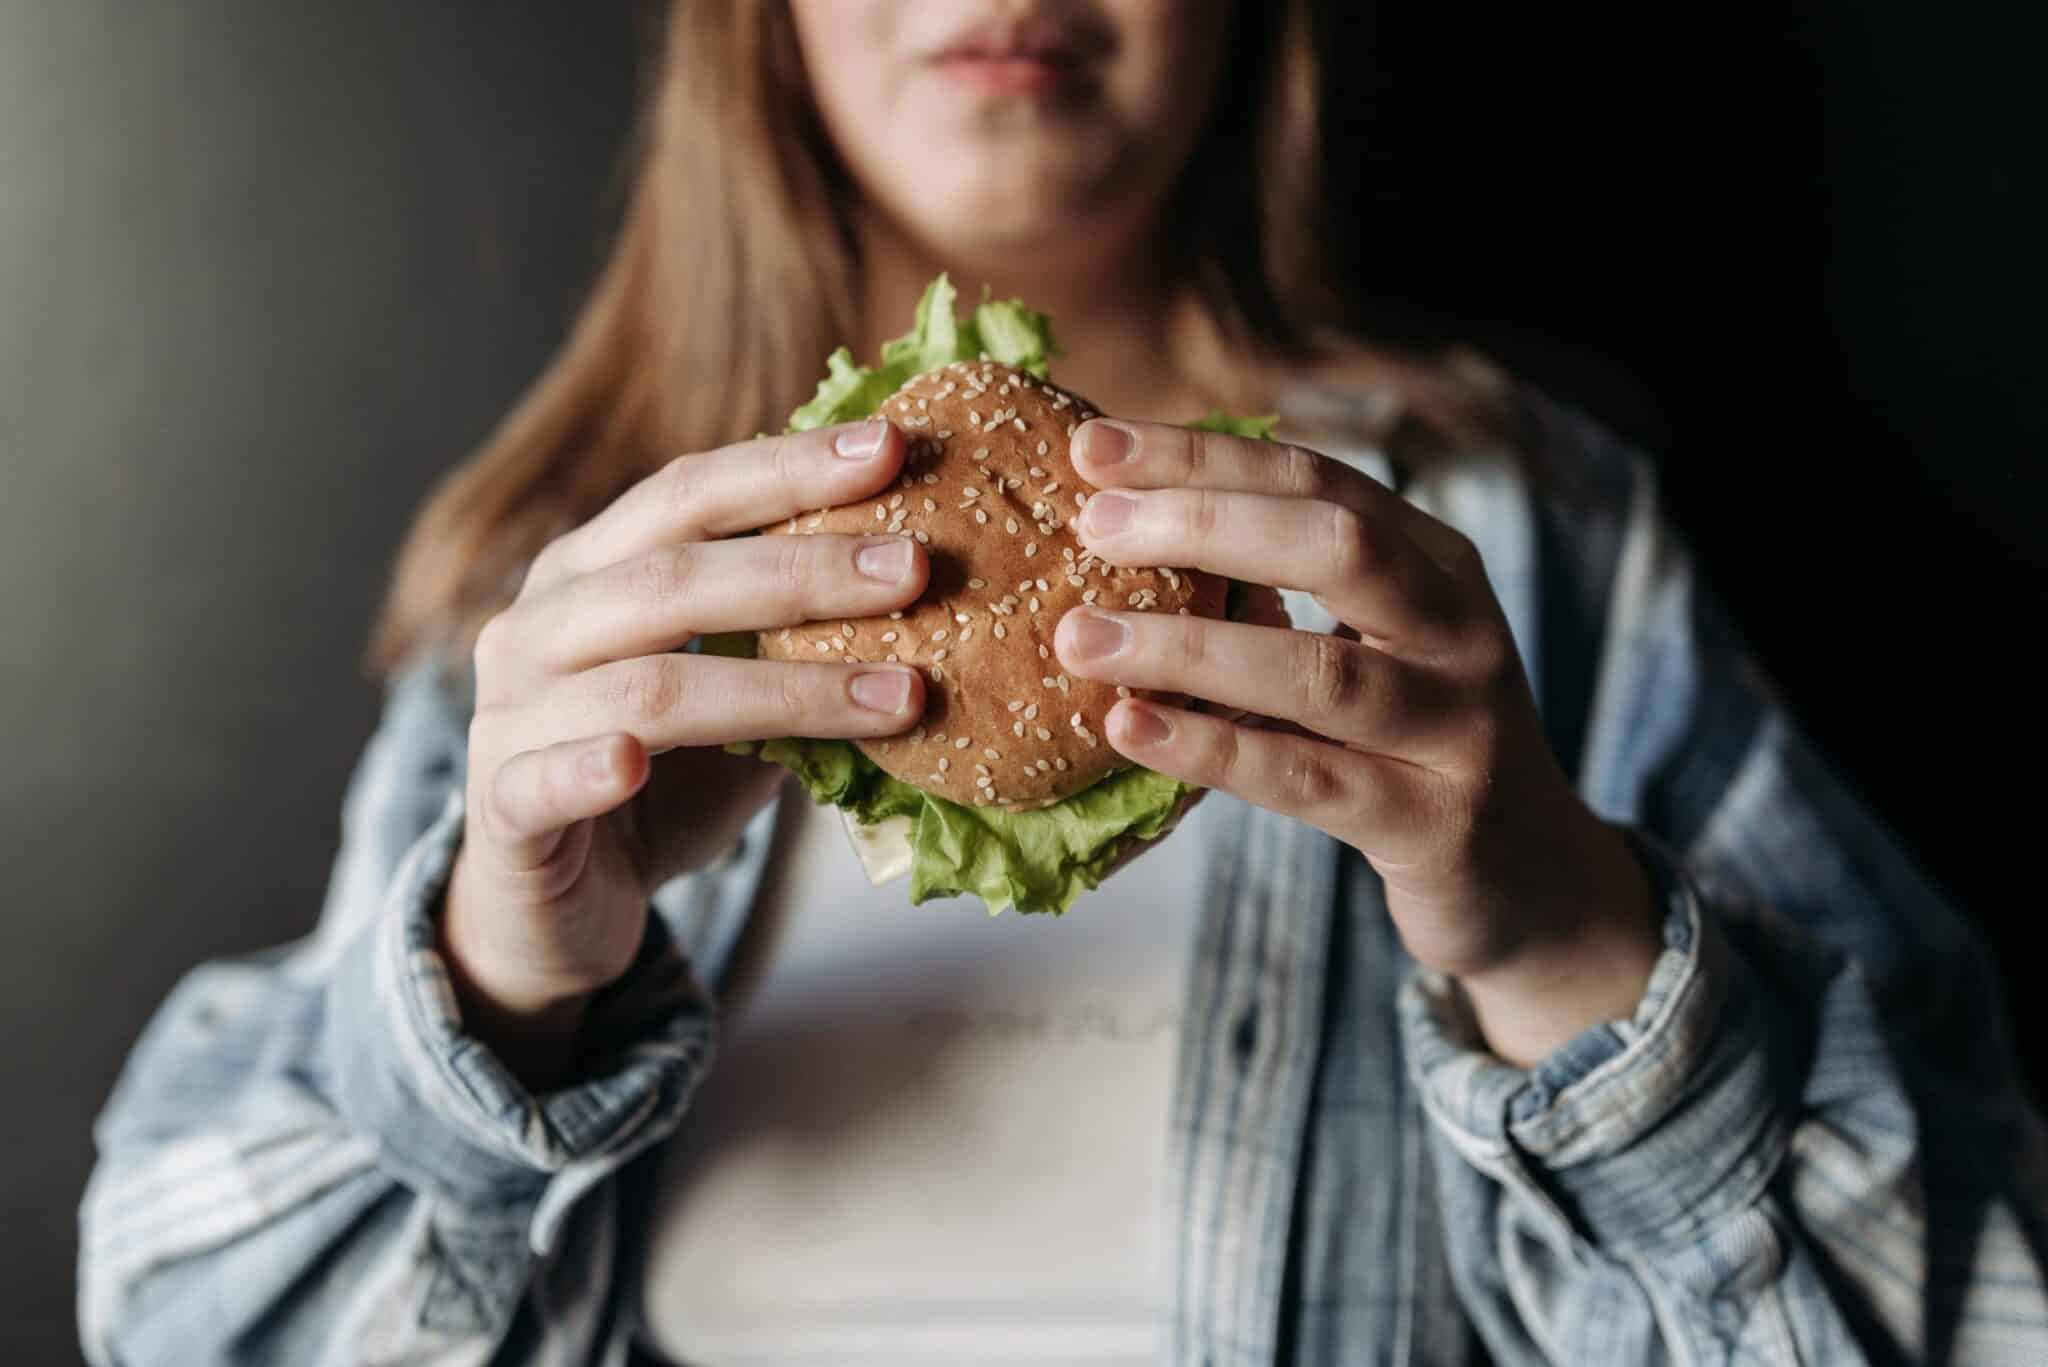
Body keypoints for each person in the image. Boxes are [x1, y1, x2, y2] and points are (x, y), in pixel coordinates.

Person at [79, 3, 2048, 1363]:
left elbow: (1973, 1305)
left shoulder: (1531, 545)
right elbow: (171, 1309)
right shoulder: (575, 601)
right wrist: (499, 990)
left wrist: (1556, 939)